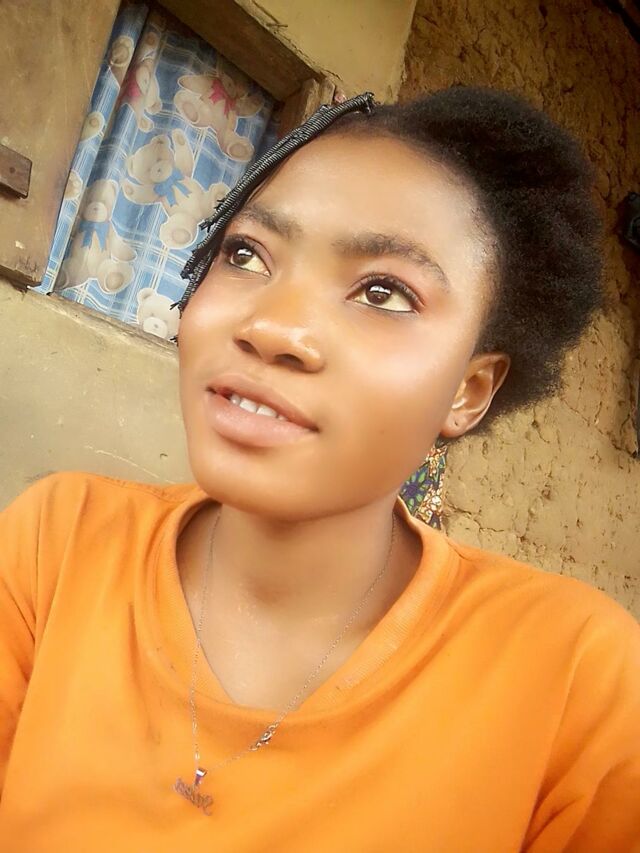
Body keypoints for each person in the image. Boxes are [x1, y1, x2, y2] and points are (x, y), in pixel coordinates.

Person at [0, 87, 638, 852]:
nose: (271, 327)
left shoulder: (575, 678)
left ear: (468, 390)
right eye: (246, 254)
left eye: (383, 292)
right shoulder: (59, 541)